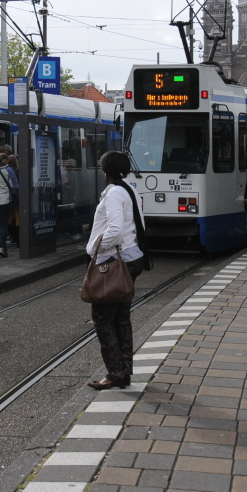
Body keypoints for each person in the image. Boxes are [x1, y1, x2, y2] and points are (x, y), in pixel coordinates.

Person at [86, 150, 150, 390]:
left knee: (103, 319)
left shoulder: (114, 194)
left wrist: (93, 248)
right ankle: (124, 371)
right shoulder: (128, 189)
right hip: (132, 257)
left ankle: (115, 373)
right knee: (121, 318)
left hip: (114, 261)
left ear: (105, 170)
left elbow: (114, 230)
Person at [6, 154, 20, 246]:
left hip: (10, 197)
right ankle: (18, 240)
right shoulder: (18, 171)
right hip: (17, 197)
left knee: (10, 219)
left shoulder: (6, 171)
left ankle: (12, 236)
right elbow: (17, 186)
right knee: (18, 219)